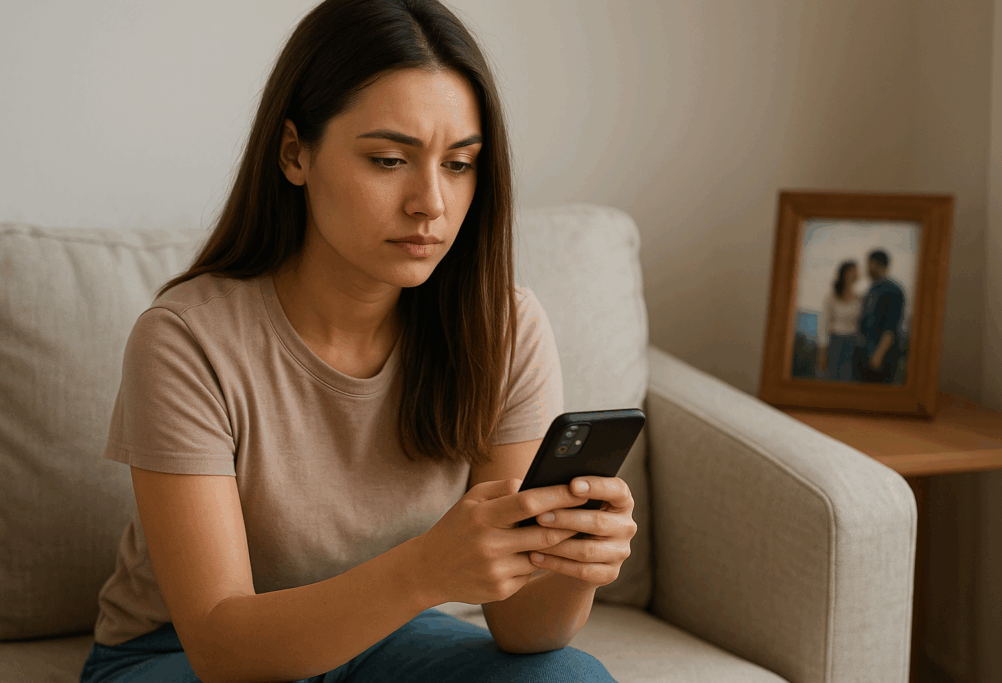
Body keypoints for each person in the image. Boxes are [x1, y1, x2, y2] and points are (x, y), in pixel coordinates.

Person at [78, 2, 629, 681]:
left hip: (393, 633)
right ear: (294, 153)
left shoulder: (503, 328)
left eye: (458, 164)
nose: (430, 201)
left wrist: (574, 567)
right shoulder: (187, 340)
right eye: (390, 159)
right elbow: (222, 647)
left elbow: (522, 629)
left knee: (569, 676)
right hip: (184, 654)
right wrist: (425, 568)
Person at [853, 249, 906, 383]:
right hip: (864, 354)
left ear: (876, 264)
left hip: (881, 357)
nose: (866, 269)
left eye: (868, 264)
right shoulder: (872, 290)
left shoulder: (893, 290)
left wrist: (879, 354)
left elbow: (891, 326)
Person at [816, 260, 862, 381]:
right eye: (853, 271)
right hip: (835, 342)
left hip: (853, 343)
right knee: (833, 378)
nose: (856, 274)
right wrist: (822, 352)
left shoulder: (859, 299)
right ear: (844, 274)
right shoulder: (831, 298)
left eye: (856, 272)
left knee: (849, 378)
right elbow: (823, 325)